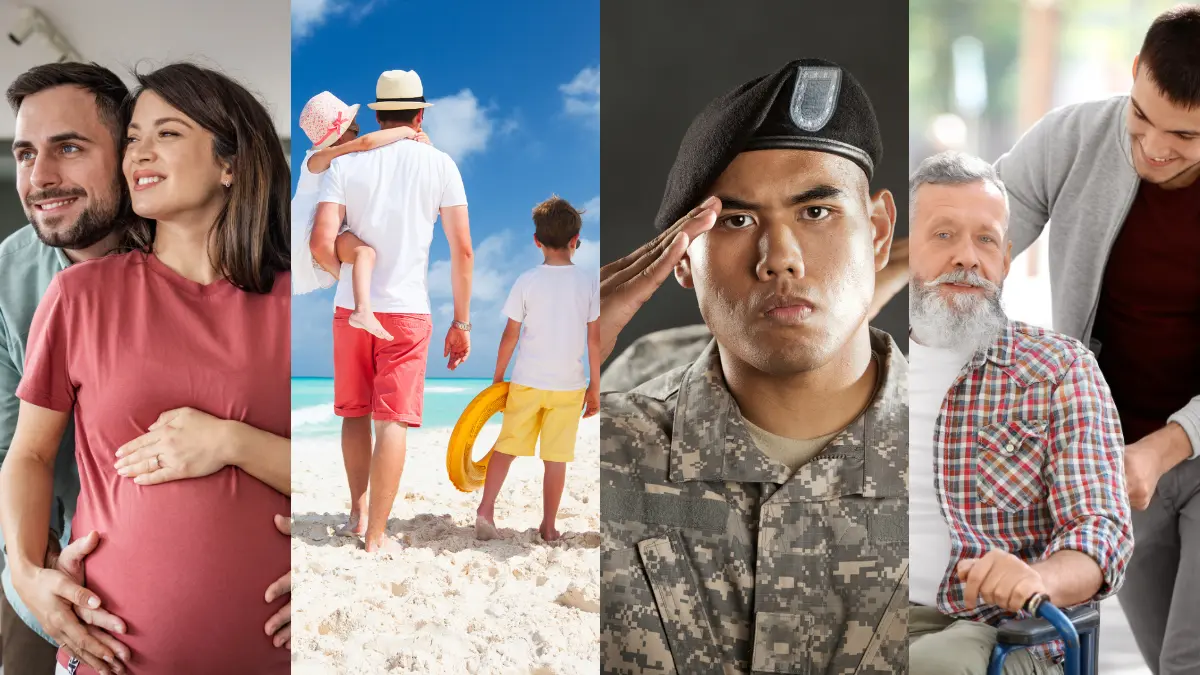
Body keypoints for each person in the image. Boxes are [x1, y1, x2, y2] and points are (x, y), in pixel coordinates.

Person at [600, 59, 908, 674]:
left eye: (816, 212)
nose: (779, 258)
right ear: (682, 260)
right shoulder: (606, 454)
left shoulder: (959, 450)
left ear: (877, 230)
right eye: (737, 221)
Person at [0, 62, 291, 675]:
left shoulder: (300, 305)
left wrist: (232, 442)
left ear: (230, 164)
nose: (140, 153)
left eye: (167, 133)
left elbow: (352, 473)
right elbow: (21, 453)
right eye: (134, 136)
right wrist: (27, 573)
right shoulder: (71, 294)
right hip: (107, 646)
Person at [991, 7, 1200, 672]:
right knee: (1158, 651)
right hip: (1113, 464)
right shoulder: (1073, 138)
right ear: (1134, 73)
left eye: (1185, 135)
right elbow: (974, 240)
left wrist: (1169, 444)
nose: (1153, 146)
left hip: (1180, 448)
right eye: (1142, 117)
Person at [906, 152, 1134, 675]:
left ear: (1006, 259)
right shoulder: (858, 365)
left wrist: (1040, 579)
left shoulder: (1058, 370)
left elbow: (1100, 531)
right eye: (943, 236)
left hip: (996, 630)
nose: (967, 257)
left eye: (985, 239)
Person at [310, 69, 473, 554]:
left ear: (378, 114)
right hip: (406, 313)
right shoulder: (441, 165)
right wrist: (461, 322)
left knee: (354, 414)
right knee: (393, 422)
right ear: (420, 115)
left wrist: (345, 279)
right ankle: (378, 535)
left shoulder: (344, 165)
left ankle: (356, 515)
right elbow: (462, 252)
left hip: (350, 310)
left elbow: (322, 242)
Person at [474, 196, 600, 543]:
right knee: (556, 459)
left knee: (507, 447)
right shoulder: (589, 282)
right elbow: (594, 340)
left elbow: (510, 334)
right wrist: (595, 387)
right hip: (569, 385)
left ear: (536, 241)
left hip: (527, 381)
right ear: (577, 241)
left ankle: (485, 509)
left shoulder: (527, 280)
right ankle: (548, 526)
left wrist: (498, 379)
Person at [292, 90, 432, 341]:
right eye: (351, 126)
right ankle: (363, 310)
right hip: (304, 235)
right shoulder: (314, 159)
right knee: (364, 255)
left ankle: (362, 309)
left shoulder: (341, 160)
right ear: (335, 135)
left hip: (327, 229)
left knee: (363, 255)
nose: (358, 127)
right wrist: (409, 132)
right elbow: (366, 144)